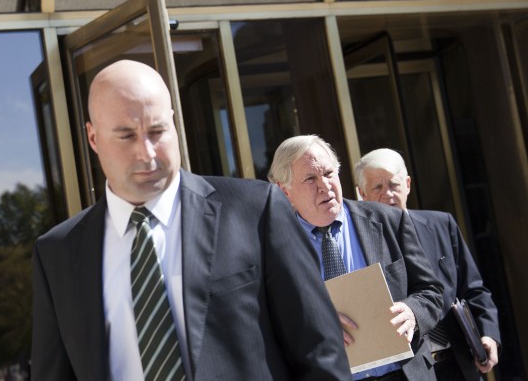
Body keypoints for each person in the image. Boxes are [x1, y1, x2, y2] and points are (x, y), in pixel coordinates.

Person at [31, 60, 349, 380]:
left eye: (157, 131)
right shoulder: (58, 254)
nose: (147, 153)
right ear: (93, 138)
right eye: (126, 135)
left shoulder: (255, 211)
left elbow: (320, 352)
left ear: (173, 123)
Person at [268, 135, 443, 381]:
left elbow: (432, 291)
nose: (325, 186)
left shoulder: (388, 220)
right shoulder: (274, 251)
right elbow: (270, 330)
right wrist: (314, 327)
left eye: (329, 173)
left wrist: (412, 313)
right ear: (284, 190)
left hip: (404, 373)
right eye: (310, 178)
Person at [355, 148, 501, 380]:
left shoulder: (442, 224)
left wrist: (489, 334)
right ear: (362, 194)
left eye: (393, 184)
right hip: (409, 372)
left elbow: (473, 289)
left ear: (408, 184)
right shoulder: (360, 246)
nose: (388, 194)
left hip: (460, 364)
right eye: (377, 188)